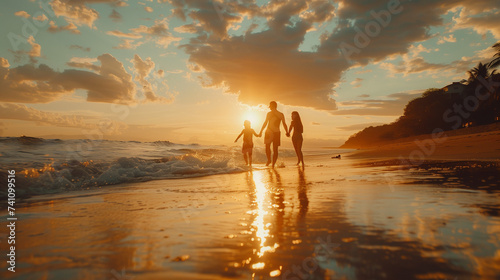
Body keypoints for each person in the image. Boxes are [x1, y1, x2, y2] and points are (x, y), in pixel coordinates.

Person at [258, 101, 288, 168]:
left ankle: (272, 163)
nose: (269, 107)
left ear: (274, 106)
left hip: (274, 132)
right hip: (270, 132)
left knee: (274, 149)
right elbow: (265, 123)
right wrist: (261, 131)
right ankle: (270, 161)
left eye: (270, 106)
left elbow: (284, 124)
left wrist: (287, 131)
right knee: (269, 147)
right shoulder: (271, 114)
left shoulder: (279, 114)